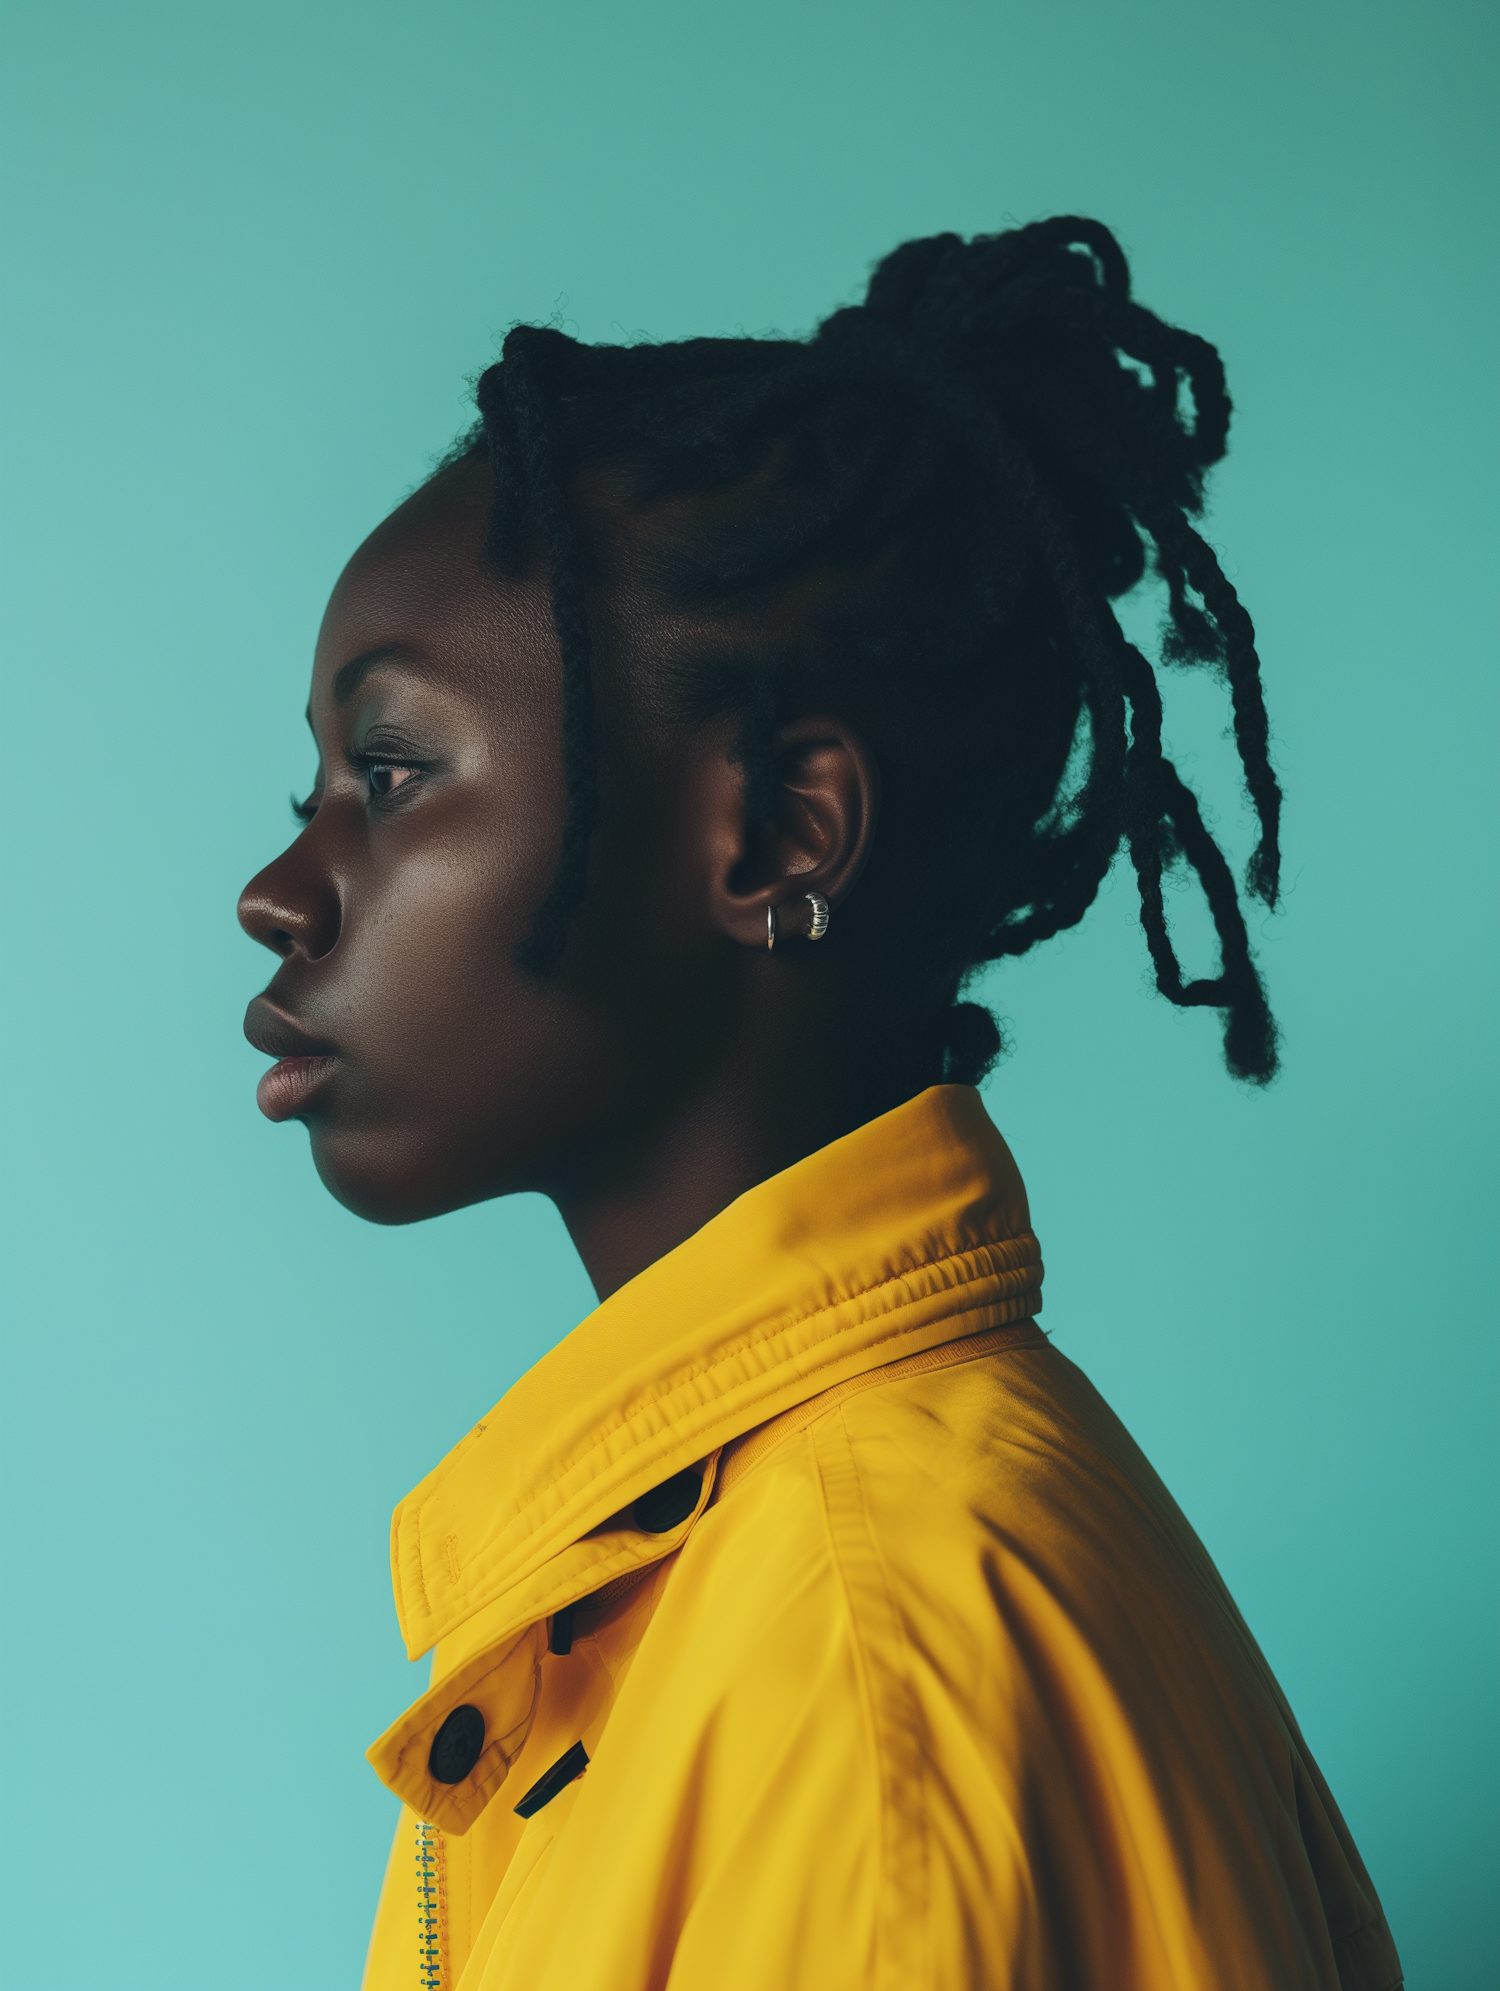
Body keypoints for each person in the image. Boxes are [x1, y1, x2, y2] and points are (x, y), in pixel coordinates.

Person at [239, 219, 1402, 1991]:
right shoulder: (747, 1563)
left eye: (391, 774)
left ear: (780, 837)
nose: (280, 888)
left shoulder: (873, 1684)